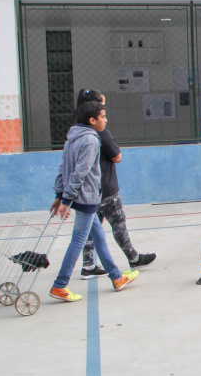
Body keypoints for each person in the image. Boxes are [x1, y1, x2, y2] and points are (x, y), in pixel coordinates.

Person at [49, 101, 138, 301]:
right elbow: (80, 172)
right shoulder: (90, 140)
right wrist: (65, 199)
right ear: (92, 120)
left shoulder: (71, 137)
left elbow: (63, 168)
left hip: (84, 197)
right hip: (86, 198)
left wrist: (59, 194)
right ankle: (60, 284)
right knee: (78, 241)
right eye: (103, 116)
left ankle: (116, 277)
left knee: (98, 237)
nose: (106, 120)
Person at [73, 89, 156, 279]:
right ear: (93, 112)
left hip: (89, 190)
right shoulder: (98, 132)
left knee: (91, 228)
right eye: (102, 108)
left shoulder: (76, 128)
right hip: (104, 187)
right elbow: (116, 155)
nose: (105, 115)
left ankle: (88, 265)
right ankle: (132, 258)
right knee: (118, 223)